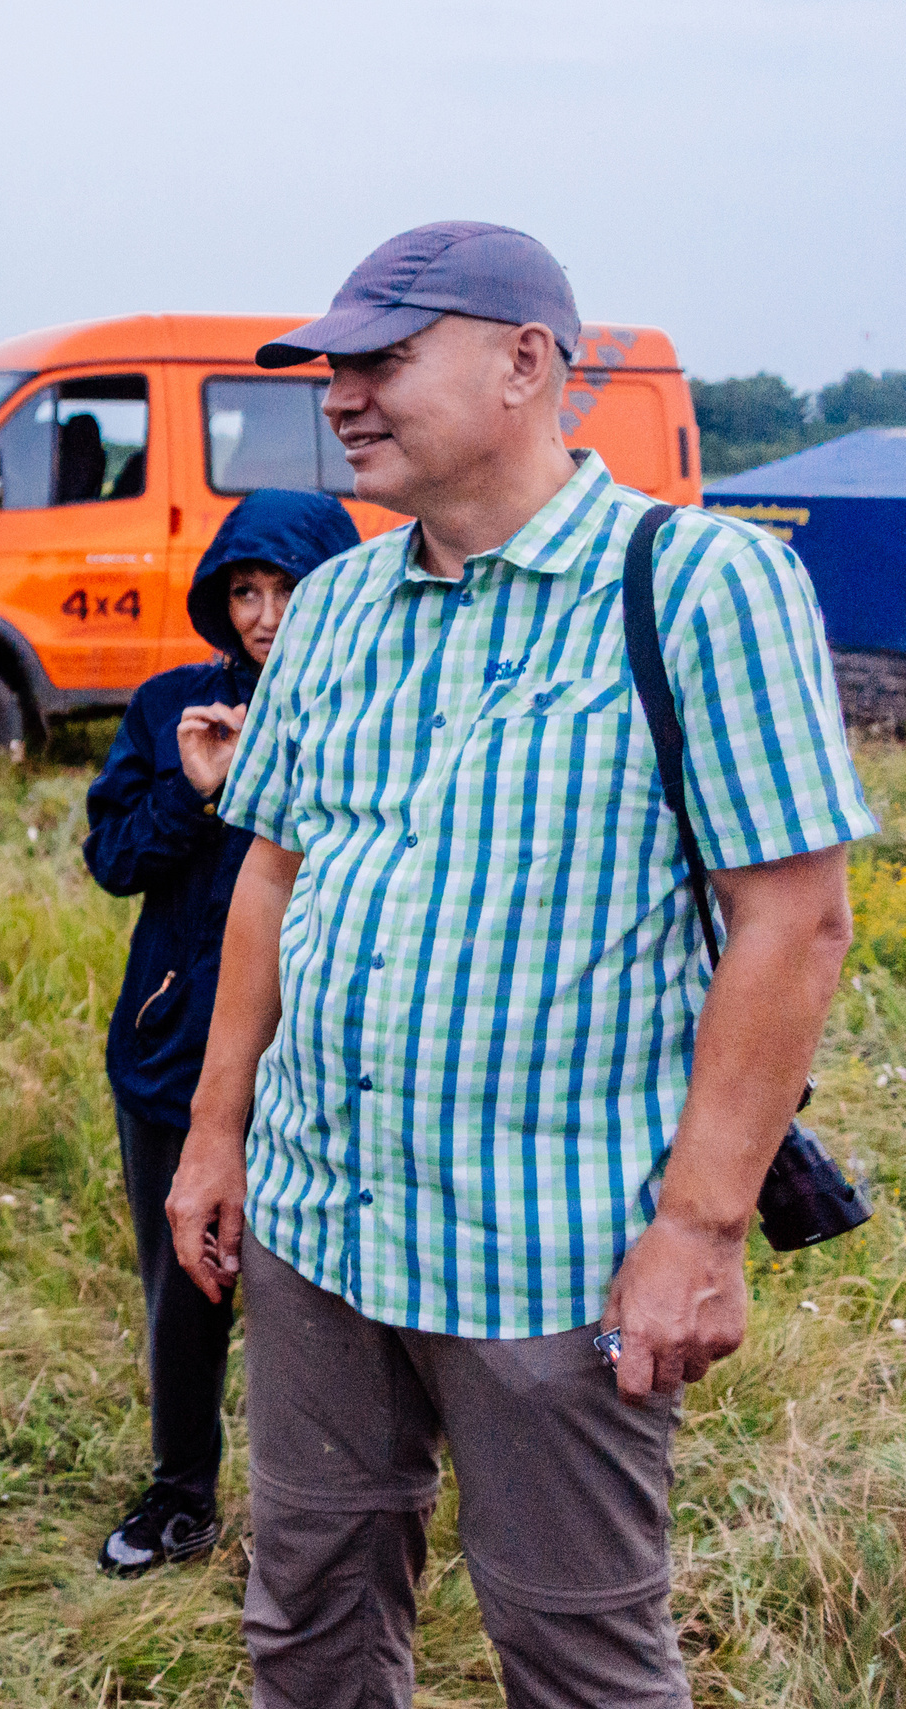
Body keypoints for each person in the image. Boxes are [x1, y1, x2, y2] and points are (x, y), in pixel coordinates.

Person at [165, 222, 873, 1707]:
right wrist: (218, 1131)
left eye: (381, 359)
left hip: (549, 1253)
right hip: (319, 1226)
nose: (341, 394)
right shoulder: (344, 602)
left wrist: (699, 1229)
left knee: (576, 1648)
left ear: (524, 362)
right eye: (331, 368)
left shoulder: (694, 588)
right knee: (307, 1616)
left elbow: (794, 922)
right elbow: (273, 871)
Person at [81, 488, 358, 1578]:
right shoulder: (171, 706)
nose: (264, 613)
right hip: (171, 1047)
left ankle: (330, 1519)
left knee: (320, 1305)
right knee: (184, 1284)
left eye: (287, 588)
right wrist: (193, 792)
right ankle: (180, 1494)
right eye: (243, 589)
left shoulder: (379, 708)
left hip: (329, 1059)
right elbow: (113, 863)